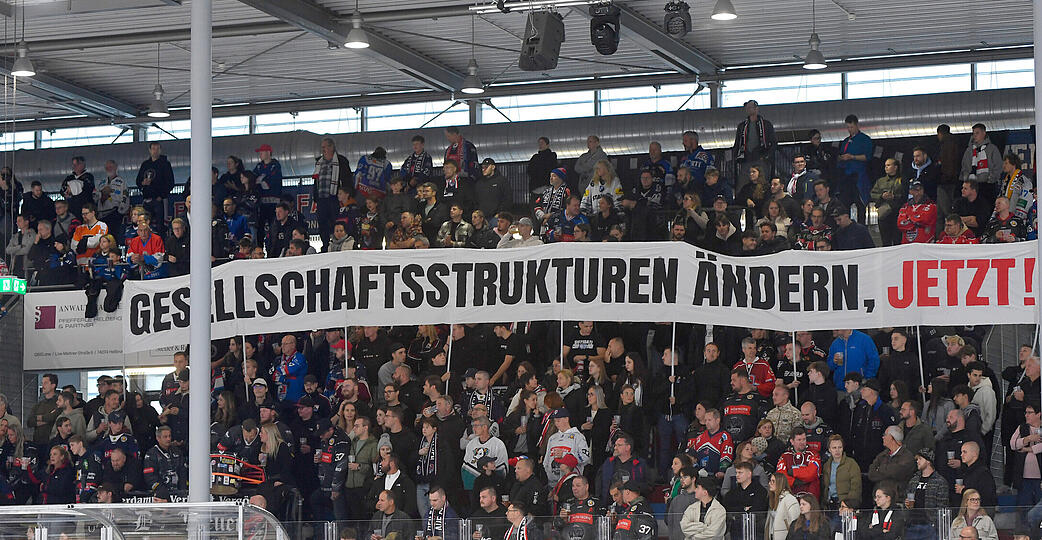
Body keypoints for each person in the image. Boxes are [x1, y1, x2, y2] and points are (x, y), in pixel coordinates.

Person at [313, 138, 354, 251]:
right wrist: (315, 196)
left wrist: (345, 195)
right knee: (322, 223)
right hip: (321, 198)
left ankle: (337, 245)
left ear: (331, 147)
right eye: (322, 147)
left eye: (324, 147)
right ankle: (325, 246)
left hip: (335, 198)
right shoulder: (319, 162)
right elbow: (316, 180)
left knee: (335, 222)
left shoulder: (341, 161)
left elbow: (347, 179)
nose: (323, 149)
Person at [904, 448, 948, 540]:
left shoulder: (940, 482)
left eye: (920, 459)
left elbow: (942, 507)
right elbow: (906, 498)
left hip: (929, 526)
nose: (917, 461)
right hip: (912, 524)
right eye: (917, 459)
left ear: (928, 461)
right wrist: (907, 504)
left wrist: (934, 524)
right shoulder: (913, 480)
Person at [733, 100, 777, 187]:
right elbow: (737, 143)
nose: (748, 110)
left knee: (762, 184)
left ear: (756, 109)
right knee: (743, 184)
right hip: (746, 159)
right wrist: (736, 157)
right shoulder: (742, 126)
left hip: (761, 158)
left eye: (750, 107)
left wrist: (766, 156)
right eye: (747, 108)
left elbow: (773, 142)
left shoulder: (766, 124)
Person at [836, 114, 873, 218]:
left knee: (860, 206)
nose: (849, 130)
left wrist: (852, 157)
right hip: (846, 177)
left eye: (851, 127)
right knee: (844, 205)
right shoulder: (845, 141)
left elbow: (867, 157)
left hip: (859, 177)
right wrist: (841, 158)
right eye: (848, 127)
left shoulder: (865, 139)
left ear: (857, 125)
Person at [135, 142, 175, 234]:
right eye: (153, 149)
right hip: (146, 199)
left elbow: (170, 183)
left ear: (160, 150)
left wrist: (161, 196)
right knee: (145, 224)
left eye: (157, 149)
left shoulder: (165, 164)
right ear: (150, 150)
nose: (155, 151)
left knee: (160, 226)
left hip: (159, 200)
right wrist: (143, 183)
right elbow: (138, 181)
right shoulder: (145, 164)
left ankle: (161, 246)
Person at [1010, 401, 1042, 508]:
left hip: (1039, 477)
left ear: (1038, 414)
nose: (1026, 415)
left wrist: (1028, 449)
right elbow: (1013, 444)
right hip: (1024, 476)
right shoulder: (1022, 428)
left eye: (1030, 412)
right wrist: (1027, 439)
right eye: (1026, 412)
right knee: (1024, 506)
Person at [777, 427, 821, 498]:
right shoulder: (785, 456)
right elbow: (781, 477)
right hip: (790, 497)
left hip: (810, 498)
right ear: (792, 441)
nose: (802, 442)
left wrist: (793, 472)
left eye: (804, 439)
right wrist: (796, 482)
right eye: (799, 440)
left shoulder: (814, 454)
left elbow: (812, 473)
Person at [960, 123, 1004, 194]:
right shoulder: (969, 150)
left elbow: (998, 165)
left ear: (984, 133)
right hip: (972, 185)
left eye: (977, 133)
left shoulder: (992, 148)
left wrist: (991, 179)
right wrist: (966, 179)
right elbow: (964, 166)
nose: (975, 135)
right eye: (973, 133)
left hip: (987, 185)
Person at [821, 435, 860, 509]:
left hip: (844, 504)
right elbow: (824, 487)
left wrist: (848, 504)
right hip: (828, 504)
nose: (837, 450)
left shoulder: (851, 463)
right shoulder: (826, 465)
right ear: (829, 449)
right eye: (834, 448)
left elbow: (856, 487)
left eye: (840, 447)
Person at [955, 441, 996, 508]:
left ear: (974, 453)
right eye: (961, 452)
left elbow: (985, 495)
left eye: (965, 452)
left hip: (981, 512)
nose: (961, 455)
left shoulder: (983, 473)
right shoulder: (967, 471)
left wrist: (963, 490)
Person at [766, 471, 800, 540]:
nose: (770, 483)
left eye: (773, 481)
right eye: (770, 481)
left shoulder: (789, 499)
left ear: (780, 483)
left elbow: (795, 523)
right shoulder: (773, 499)